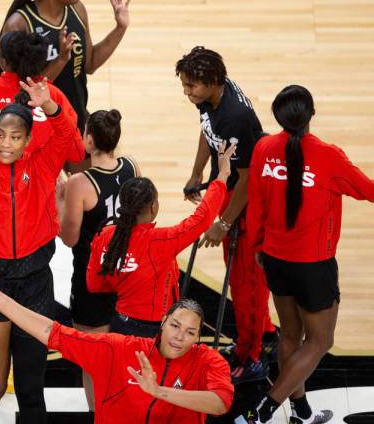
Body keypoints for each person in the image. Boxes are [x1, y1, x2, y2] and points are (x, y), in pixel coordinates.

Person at [0, 30, 84, 385]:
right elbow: (74, 152)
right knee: (29, 286)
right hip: (35, 211)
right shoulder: (50, 95)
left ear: (2, 60)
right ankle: (11, 365)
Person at [236, 85, 374, 424]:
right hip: (313, 267)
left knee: (289, 334)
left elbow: (254, 208)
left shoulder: (263, 149)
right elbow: (368, 191)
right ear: (311, 115)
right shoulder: (328, 156)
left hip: (273, 260)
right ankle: (263, 410)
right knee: (320, 340)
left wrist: (256, 248)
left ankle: (301, 412)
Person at [0, 255, 234, 424]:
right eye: (176, 325)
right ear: (163, 323)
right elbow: (53, 333)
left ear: (199, 337)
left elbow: (220, 403)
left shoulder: (208, 361)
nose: (180, 337)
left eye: (190, 332)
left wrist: (159, 392)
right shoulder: (118, 349)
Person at [177, 46, 278, 384]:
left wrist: (223, 222)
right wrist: (197, 173)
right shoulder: (210, 97)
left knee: (245, 282)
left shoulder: (234, 115)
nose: (187, 93)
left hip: (248, 196)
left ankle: (249, 356)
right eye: (185, 86)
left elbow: (249, 179)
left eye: (192, 86)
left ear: (213, 81)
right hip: (233, 186)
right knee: (241, 276)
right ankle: (263, 331)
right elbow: (209, 134)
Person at [87, 143, 235, 340]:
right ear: (154, 207)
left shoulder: (104, 236)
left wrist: (128, 278)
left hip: (120, 326)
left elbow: (94, 284)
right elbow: (203, 217)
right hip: (155, 331)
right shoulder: (162, 241)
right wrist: (222, 175)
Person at [0, 0, 130, 135]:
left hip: (74, 115)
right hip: (35, 123)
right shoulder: (20, 24)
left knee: (86, 163)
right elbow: (18, 90)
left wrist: (120, 28)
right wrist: (60, 59)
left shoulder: (78, 10)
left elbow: (90, 64)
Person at [55, 108, 139, 411]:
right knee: (126, 354)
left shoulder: (80, 182)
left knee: (93, 361)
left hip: (93, 279)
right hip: (128, 275)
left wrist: (60, 199)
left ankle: (100, 416)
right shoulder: (131, 166)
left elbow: (69, 238)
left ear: (88, 141)